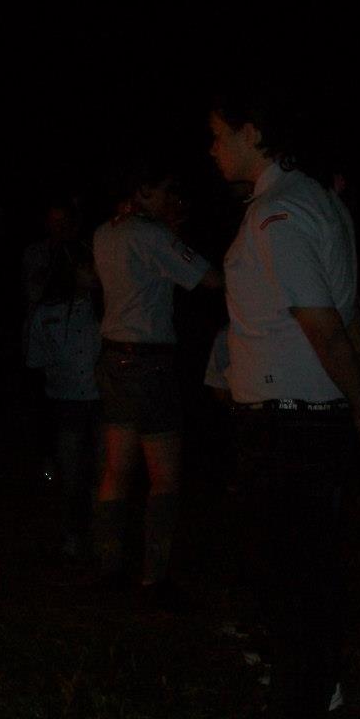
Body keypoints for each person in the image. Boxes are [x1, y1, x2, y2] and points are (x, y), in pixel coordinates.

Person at [208, 88, 360, 717]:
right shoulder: (319, 202)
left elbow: (323, 321)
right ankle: (314, 681)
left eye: (218, 134)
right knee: (303, 561)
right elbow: (349, 308)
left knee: (288, 567)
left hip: (288, 422)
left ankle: (304, 692)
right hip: (306, 417)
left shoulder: (278, 213)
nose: (212, 148)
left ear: (252, 133)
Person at [91, 156, 223, 602]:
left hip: (113, 358)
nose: (173, 198)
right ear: (144, 191)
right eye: (166, 189)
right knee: (164, 475)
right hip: (149, 361)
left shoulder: (105, 232)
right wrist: (174, 235)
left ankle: (109, 569)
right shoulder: (154, 235)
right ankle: (154, 577)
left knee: (116, 469)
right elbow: (209, 279)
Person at [25, 236, 103, 561]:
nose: (94, 272)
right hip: (66, 404)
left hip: (102, 403)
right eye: (87, 267)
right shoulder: (46, 314)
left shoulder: (106, 308)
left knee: (102, 473)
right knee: (71, 476)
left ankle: (102, 538)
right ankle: (72, 536)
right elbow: (36, 364)